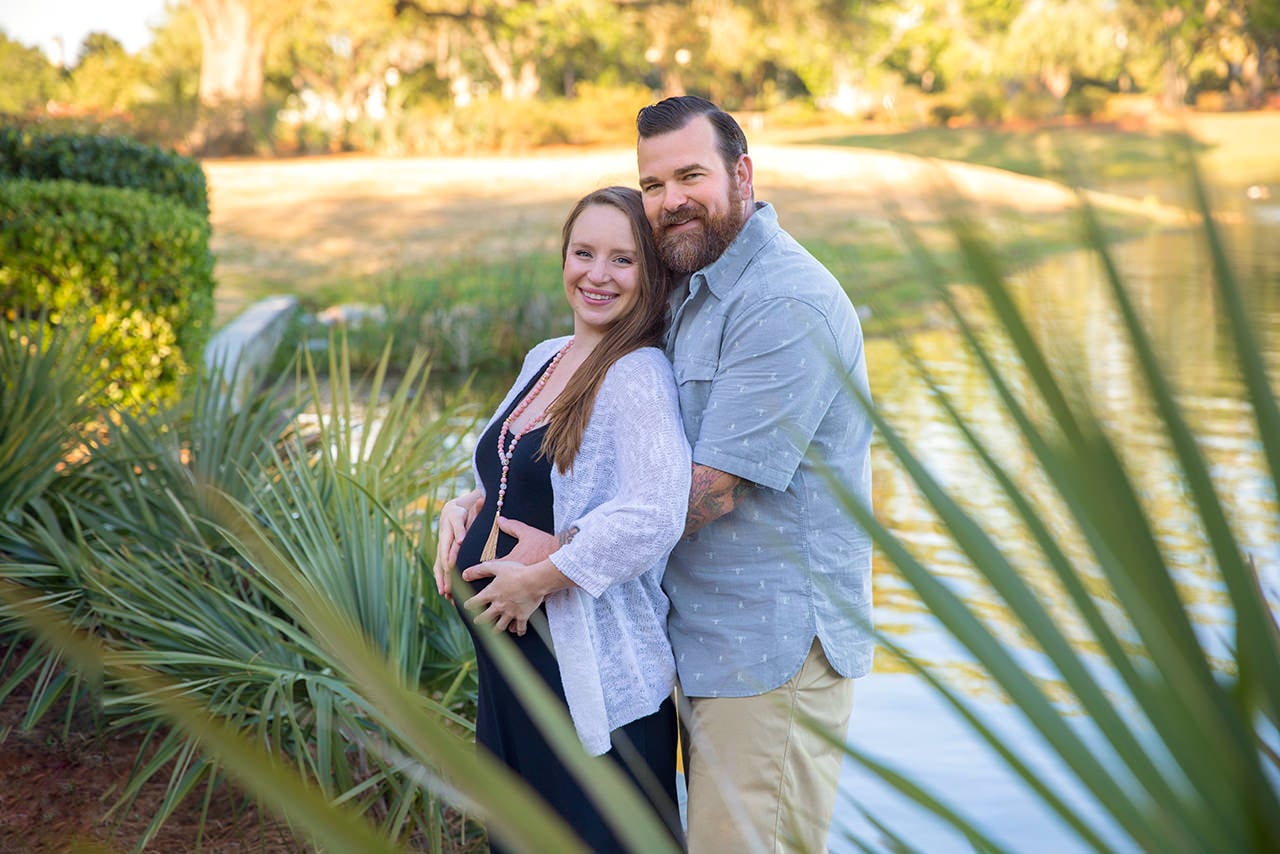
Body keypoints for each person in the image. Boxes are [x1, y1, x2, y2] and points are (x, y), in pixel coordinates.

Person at [633, 95, 875, 852]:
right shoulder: (689, 289)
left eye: (689, 176)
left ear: (742, 174)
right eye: (652, 185)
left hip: (771, 657)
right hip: (697, 642)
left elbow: (709, 492)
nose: (670, 201)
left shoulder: (785, 300)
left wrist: (558, 554)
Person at [432, 186, 690, 851]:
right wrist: (463, 507)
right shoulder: (544, 357)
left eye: (622, 260)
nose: (596, 275)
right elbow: (517, 470)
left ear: (651, 274)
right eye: (584, 253)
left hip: (582, 682)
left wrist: (544, 576)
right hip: (513, 673)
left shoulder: (637, 374)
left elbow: (655, 513)